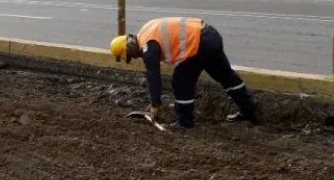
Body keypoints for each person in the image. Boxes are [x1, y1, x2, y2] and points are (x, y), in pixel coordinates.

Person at [110, 17, 261, 128]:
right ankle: (248, 106)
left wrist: (155, 103)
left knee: (180, 81)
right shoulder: (146, 29)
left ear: (129, 47)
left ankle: (184, 122)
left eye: (132, 56)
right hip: (210, 34)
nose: (136, 57)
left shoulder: (147, 45)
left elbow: (152, 74)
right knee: (224, 75)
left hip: (198, 43)